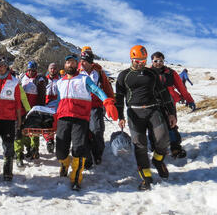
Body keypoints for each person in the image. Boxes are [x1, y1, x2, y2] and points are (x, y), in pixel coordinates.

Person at [115, 45, 177, 191]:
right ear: (132, 58)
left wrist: (171, 112)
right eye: (137, 60)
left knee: (163, 138)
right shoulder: (124, 75)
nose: (141, 63)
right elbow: (118, 97)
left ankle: (157, 160)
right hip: (134, 113)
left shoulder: (152, 73)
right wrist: (120, 116)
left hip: (153, 110)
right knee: (140, 145)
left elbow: (164, 93)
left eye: (143, 60)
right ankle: (146, 178)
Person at [56, 54, 118, 191]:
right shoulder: (60, 82)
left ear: (76, 65)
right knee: (60, 151)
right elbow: (59, 101)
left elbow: (97, 90)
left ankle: (76, 179)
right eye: (68, 62)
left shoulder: (84, 79)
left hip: (80, 118)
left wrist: (107, 102)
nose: (70, 65)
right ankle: (65, 163)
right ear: (64, 66)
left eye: (73, 62)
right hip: (63, 118)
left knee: (79, 149)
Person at [151, 52, 196, 158]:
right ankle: (155, 148)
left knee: (171, 125)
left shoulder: (171, 73)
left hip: (169, 102)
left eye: (161, 61)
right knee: (154, 126)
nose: (159, 63)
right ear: (152, 61)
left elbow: (181, 88)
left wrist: (189, 100)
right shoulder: (148, 73)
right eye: (156, 61)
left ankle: (175, 148)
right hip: (154, 103)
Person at [79, 50, 114, 167]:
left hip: (96, 106)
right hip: (81, 107)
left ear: (90, 62)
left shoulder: (98, 72)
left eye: (84, 61)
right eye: (81, 60)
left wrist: (110, 102)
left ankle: (97, 153)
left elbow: (106, 87)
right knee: (83, 132)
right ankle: (87, 158)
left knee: (97, 130)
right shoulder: (77, 72)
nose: (82, 63)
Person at [15, 61, 47, 166]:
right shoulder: (22, 77)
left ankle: (35, 149)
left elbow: (42, 96)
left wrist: (39, 109)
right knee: (22, 130)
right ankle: (27, 148)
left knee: (34, 130)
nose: (31, 72)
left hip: (34, 109)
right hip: (22, 109)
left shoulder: (39, 80)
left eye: (33, 70)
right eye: (29, 70)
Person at [43, 62, 60, 153]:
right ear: (48, 69)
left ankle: (59, 140)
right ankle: (49, 140)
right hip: (47, 104)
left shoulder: (60, 80)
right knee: (47, 122)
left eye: (54, 68)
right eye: (51, 68)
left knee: (56, 123)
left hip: (57, 104)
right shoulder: (44, 80)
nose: (53, 70)